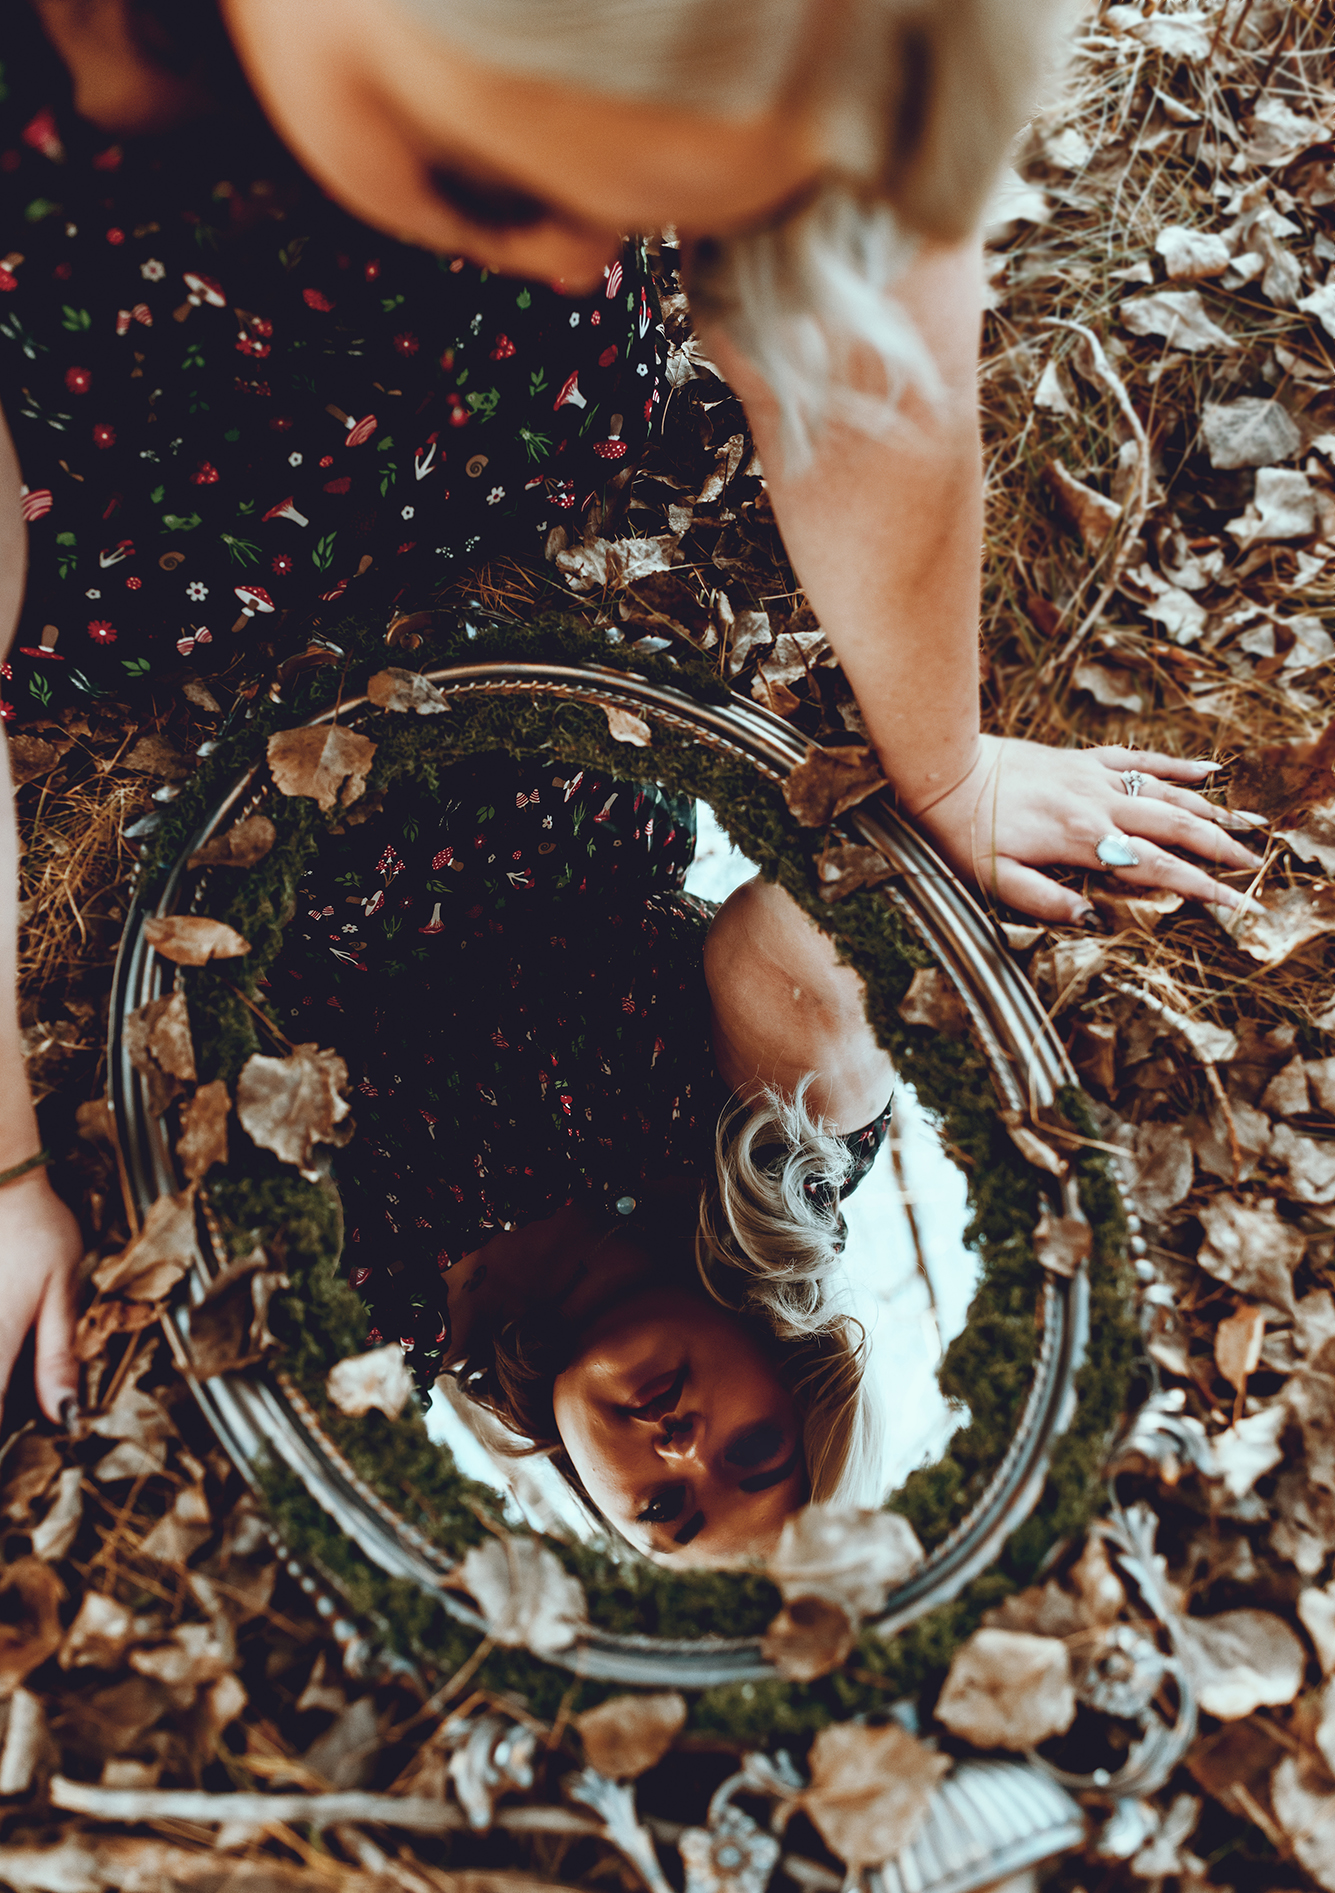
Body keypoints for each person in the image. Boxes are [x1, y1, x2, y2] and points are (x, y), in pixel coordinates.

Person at [0, 0, 1262, 1435]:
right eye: (493, 180)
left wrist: (942, 768)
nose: (571, 259)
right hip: (127, 520)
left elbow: (851, 341)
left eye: (634, 209)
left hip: (495, 433)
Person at [278, 751, 890, 1564]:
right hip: (511, 665)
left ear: (589, 1496)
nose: (683, 1451)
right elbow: (833, 894)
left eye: (666, 1506)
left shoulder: (374, 1342)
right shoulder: (782, 1150)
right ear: (796, 1377)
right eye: (751, 1453)